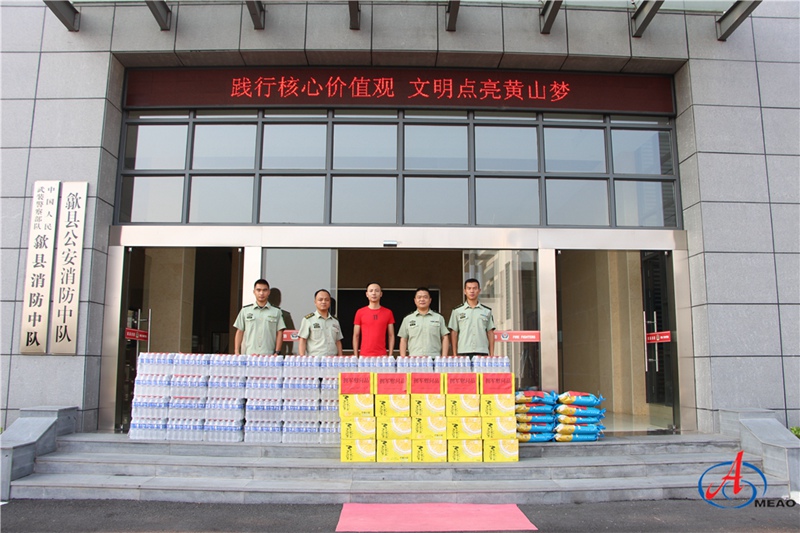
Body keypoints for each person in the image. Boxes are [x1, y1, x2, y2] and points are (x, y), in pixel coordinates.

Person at [233, 279, 286, 355]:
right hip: (250, 355)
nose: (261, 293)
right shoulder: (245, 311)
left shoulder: (276, 312)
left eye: (264, 290)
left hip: (269, 356)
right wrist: (236, 351)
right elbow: (239, 331)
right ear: (254, 292)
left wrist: (277, 352)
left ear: (268, 292)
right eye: (258, 290)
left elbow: (280, 333)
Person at [448, 278, 495, 357]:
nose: (472, 291)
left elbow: (490, 333)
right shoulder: (457, 311)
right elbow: (454, 333)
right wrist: (455, 354)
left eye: (474, 288)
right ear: (464, 291)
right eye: (469, 288)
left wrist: (492, 355)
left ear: (479, 291)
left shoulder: (487, 311)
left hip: (482, 352)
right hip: (463, 352)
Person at [397, 287, 449, 358]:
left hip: (434, 358)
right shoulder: (408, 319)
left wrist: (444, 357)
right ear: (415, 300)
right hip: (414, 359)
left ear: (430, 300)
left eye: (425, 297)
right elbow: (403, 339)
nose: (422, 299)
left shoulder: (439, 318)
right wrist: (403, 358)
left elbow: (445, 337)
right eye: (419, 297)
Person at [352, 282, 395, 356]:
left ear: (381, 294)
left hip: (382, 355)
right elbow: (356, 335)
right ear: (367, 294)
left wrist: (390, 355)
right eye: (371, 291)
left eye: (377, 291)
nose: (374, 293)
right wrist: (356, 356)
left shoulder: (388, 312)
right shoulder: (360, 312)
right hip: (364, 355)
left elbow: (391, 335)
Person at [297, 289, 344, 357]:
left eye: (326, 300)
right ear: (315, 302)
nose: (323, 302)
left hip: (332, 359)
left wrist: (340, 358)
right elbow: (303, 340)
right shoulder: (308, 320)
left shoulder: (335, 321)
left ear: (330, 302)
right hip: (315, 359)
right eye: (320, 300)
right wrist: (302, 358)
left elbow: (338, 341)